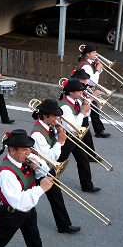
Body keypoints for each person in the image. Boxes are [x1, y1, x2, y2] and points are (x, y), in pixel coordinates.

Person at [31, 98, 81, 234]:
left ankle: (64, 225)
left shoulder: (49, 126)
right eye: (54, 116)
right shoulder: (37, 134)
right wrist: (60, 141)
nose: (57, 118)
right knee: (28, 200)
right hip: (39, 171)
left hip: (46, 169)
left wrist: (58, 135)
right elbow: (50, 156)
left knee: (56, 197)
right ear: (45, 115)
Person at [58, 78, 100, 193]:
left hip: (76, 136)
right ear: (71, 92)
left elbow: (85, 115)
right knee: (59, 160)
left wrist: (87, 107)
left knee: (83, 159)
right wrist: (82, 112)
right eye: (79, 91)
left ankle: (87, 185)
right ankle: (45, 178)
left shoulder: (76, 101)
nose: (82, 92)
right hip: (68, 136)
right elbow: (72, 126)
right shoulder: (65, 106)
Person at [77, 43, 110, 138]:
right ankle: (90, 131)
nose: (96, 54)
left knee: (94, 109)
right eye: (94, 52)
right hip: (85, 90)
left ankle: (98, 131)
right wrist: (98, 70)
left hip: (87, 90)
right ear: (88, 54)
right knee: (89, 110)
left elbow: (94, 74)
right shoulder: (86, 66)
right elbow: (92, 82)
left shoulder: (89, 64)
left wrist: (98, 67)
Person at [71, 68, 99, 162]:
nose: (85, 81)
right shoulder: (74, 90)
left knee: (87, 136)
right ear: (77, 79)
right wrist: (91, 99)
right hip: (78, 117)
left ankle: (91, 155)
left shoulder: (82, 88)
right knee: (78, 141)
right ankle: (89, 155)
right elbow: (79, 103)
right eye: (82, 79)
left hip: (84, 116)